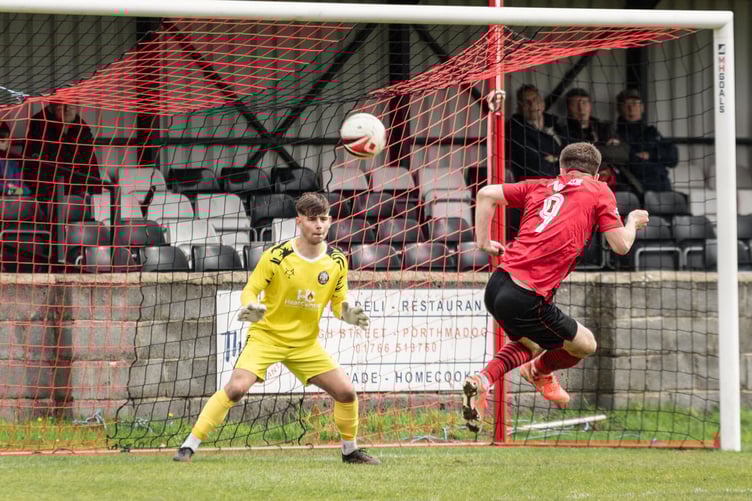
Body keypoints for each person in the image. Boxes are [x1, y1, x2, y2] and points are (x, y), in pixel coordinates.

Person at [174, 192, 380, 465]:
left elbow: (338, 303)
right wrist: (252, 307)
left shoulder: (337, 260)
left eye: (323, 219)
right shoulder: (276, 256)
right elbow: (251, 290)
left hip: (304, 344)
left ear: (329, 221)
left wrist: (348, 314)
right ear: (299, 221)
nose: (319, 225)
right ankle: (189, 446)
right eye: (312, 219)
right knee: (236, 389)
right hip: (267, 337)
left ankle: (350, 451)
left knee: (346, 393)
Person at [462, 142, 649, 431]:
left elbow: (486, 194)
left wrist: (484, 243)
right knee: (586, 344)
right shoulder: (599, 191)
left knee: (528, 343)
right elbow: (621, 245)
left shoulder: (539, 186)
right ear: (597, 175)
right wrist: (633, 221)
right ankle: (539, 371)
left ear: (561, 169)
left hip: (497, 285)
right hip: (525, 295)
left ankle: (482, 381)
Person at [23, 102, 101, 199]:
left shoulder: (81, 128)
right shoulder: (40, 127)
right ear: (52, 107)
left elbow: (91, 163)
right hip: (49, 191)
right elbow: (34, 168)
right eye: (62, 105)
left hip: (77, 191)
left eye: (71, 104)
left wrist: (95, 194)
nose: (67, 108)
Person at [555, 88, 629, 190]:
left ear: (590, 106)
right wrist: (604, 149)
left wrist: (588, 150)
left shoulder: (604, 127)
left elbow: (622, 153)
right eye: (575, 104)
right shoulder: (562, 129)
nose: (581, 108)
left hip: (614, 182)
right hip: (580, 185)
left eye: (584, 103)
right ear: (568, 107)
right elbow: (571, 157)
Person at [614, 88, 679, 193]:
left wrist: (650, 155)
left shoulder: (651, 132)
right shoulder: (614, 134)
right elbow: (625, 158)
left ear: (642, 107)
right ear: (619, 108)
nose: (631, 108)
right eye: (627, 104)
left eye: (635, 103)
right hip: (633, 190)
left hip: (661, 188)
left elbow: (673, 157)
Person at [506, 84, 564, 181]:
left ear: (542, 103)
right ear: (519, 107)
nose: (532, 105)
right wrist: (561, 161)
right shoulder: (515, 130)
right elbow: (537, 168)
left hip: (562, 182)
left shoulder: (556, 125)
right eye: (526, 102)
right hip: (534, 187)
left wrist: (554, 158)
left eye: (535, 100)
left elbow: (572, 156)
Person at [0, 122, 30, 196]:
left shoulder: (12, 163)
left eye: (7, 140)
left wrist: (10, 189)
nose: (7, 143)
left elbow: (26, 191)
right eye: (3, 141)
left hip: (11, 205)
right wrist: (10, 188)